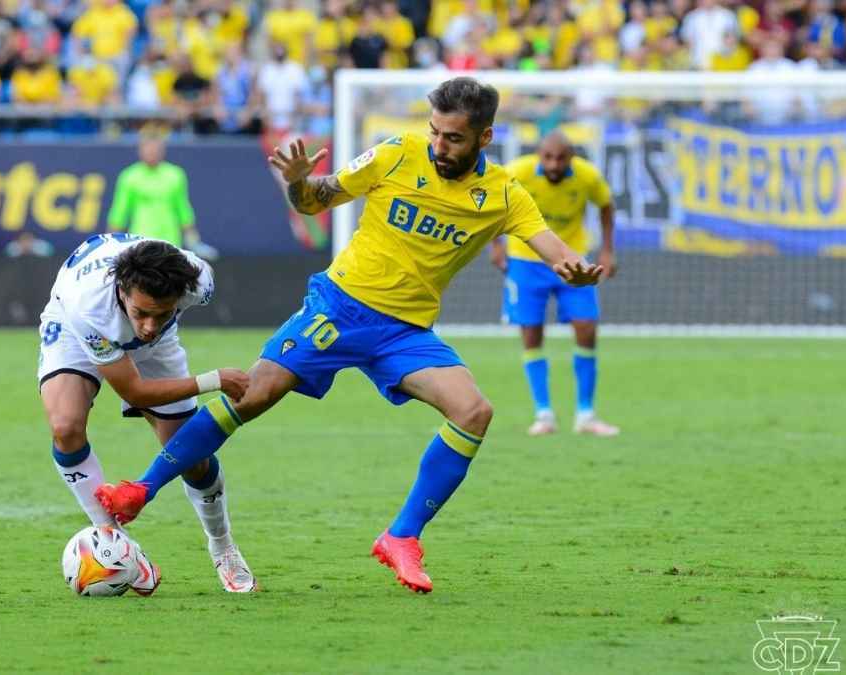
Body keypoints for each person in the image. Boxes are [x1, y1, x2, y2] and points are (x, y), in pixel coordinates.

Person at [96, 77, 604, 593]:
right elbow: (314, 201)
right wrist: (298, 182)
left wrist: (574, 266)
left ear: (484, 137)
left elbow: (549, 243)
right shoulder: (396, 154)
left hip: (404, 332)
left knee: (474, 411)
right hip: (338, 308)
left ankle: (401, 536)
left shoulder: (502, 194)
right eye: (434, 132)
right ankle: (141, 489)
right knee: (253, 392)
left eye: (453, 138)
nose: (438, 145)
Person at [38, 233, 256, 593]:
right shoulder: (89, 307)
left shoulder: (198, 281)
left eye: (163, 313)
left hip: (158, 350)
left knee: (192, 458)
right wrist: (213, 380)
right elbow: (134, 391)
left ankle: (223, 547)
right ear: (122, 291)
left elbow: (157, 322)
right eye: (141, 313)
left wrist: (152, 321)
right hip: (75, 330)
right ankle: (118, 546)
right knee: (65, 427)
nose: (149, 326)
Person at [490, 132, 619, 438]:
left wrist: (607, 250)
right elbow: (492, 202)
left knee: (586, 329)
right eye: (548, 157)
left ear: (571, 157)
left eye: (561, 158)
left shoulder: (587, 176)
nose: (554, 164)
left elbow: (606, 205)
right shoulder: (518, 172)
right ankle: (544, 414)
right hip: (525, 261)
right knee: (531, 334)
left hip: (571, 260)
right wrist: (496, 245)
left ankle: (585, 414)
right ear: (539, 155)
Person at [108, 134, 219, 260]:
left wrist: (193, 240)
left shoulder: (175, 174)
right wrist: (111, 244)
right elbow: (119, 211)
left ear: (162, 151)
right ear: (140, 151)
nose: (151, 153)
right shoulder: (129, 176)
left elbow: (183, 208)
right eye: (148, 150)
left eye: (155, 150)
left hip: (171, 239)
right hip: (140, 240)